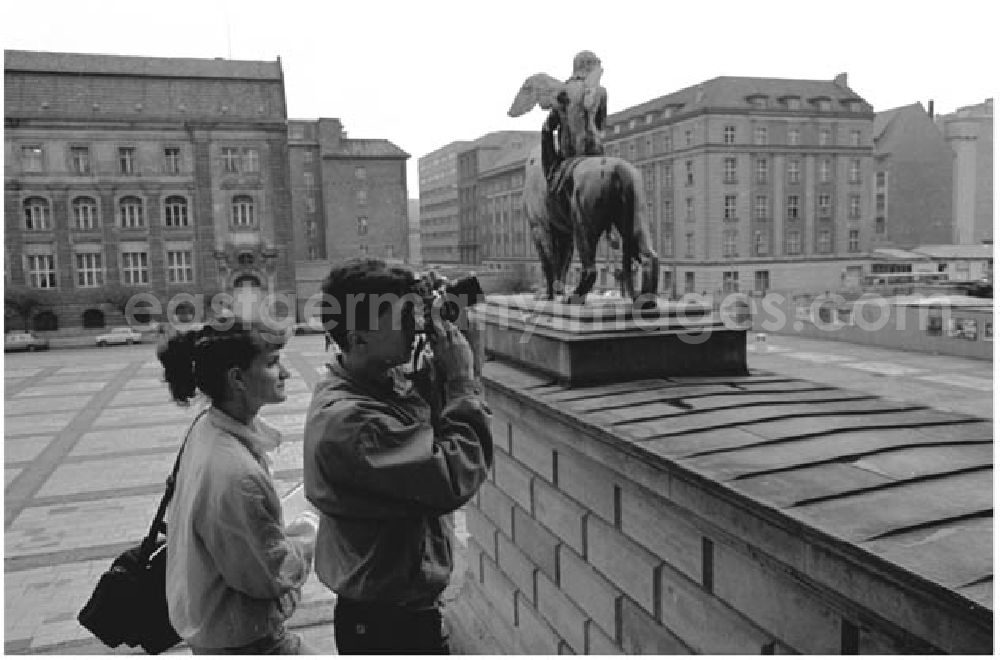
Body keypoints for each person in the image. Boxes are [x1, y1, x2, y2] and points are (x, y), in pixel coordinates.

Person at [303, 259, 493, 654]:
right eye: (403, 315)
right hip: (386, 625)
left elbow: (425, 415)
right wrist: (461, 379)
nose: (415, 325)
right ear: (359, 336)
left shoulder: (370, 383)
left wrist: (457, 347)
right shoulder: (352, 422)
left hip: (390, 611)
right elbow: (453, 473)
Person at [159, 316, 319, 654]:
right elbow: (267, 576)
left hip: (221, 629)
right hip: (246, 640)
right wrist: (312, 527)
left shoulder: (208, 427)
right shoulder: (235, 473)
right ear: (237, 379)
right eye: (273, 363)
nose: (286, 373)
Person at [541, 50, 608, 189]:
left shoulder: (563, 91)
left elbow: (551, 124)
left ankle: (551, 174)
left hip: (571, 151)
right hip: (596, 149)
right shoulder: (601, 91)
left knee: (545, 130)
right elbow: (601, 124)